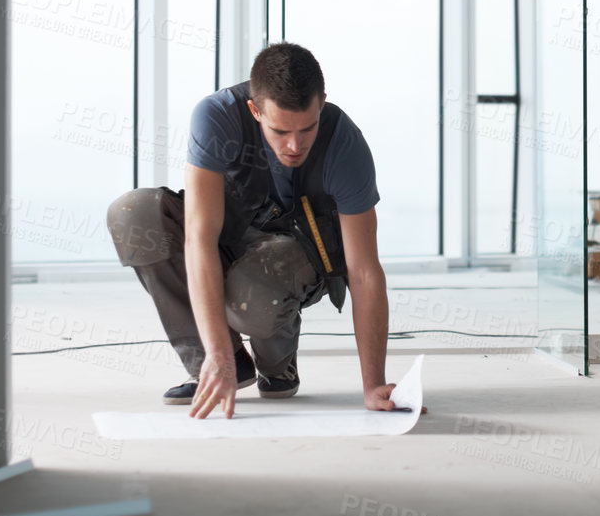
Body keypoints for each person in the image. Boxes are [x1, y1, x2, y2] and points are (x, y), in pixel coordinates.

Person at [106, 42, 401, 419]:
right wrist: (217, 353)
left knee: (254, 287)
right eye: (280, 131)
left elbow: (364, 272)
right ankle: (219, 366)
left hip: (296, 254)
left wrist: (373, 384)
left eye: (307, 129)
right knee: (132, 214)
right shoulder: (216, 116)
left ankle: (278, 366)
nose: (295, 146)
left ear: (322, 103)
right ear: (254, 110)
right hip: (231, 236)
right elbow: (200, 237)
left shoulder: (345, 145)